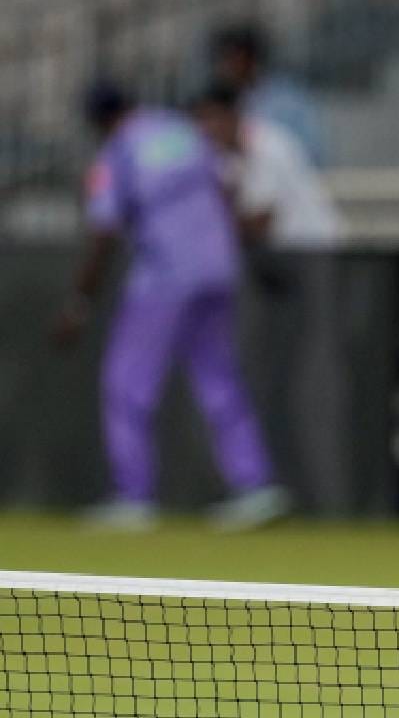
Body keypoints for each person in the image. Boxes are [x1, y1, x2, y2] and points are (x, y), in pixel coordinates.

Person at [55, 81, 289, 532]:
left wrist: (80, 303)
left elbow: (104, 231)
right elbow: (225, 188)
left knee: (127, 382)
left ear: (99, 122)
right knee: (218, 377)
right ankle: (255, 486)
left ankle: (134, 496)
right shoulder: (180, 132)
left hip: (164, 277)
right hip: (218, 268)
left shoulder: (118, 152)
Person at [193, 81, 344, 250]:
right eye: (201, 120)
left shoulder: (270, 146)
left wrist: (207, 225)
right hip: (284, 251)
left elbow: (260, 223)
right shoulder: (223, 156)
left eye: (212, 118)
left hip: (315, 246)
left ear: (233, 116)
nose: (206, 128)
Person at [211, 23, 327, 168]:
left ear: (249, 59)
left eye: (232, 58)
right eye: (223, 59)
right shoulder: (224, 102)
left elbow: (312, 152)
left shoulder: (287, 101)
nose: (226, 67)